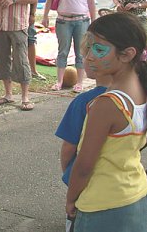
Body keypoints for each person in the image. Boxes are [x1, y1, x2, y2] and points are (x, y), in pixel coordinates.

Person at [66, 13, 147, 232]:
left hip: (103, 205)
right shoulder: (142, 88)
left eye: (99, 49)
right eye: (89, 47)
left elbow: (84, 165)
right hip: (136, 195)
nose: (88, 56)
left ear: (127, 55)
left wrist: (71, 199)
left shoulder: (107, 104)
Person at [55, 34, 113, 231]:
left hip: (87, 189)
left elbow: (68, 149)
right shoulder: (135, 95)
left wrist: (70, 177)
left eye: (84, 55)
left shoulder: (84, 102)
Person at [42, 0, 97, 93]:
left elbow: (91, 2)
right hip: (63, 20)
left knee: (81, 51)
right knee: (63, 50)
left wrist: (94, 21)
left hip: (82, 20)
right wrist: (45, 16)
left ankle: (79, 83)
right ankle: (59, 81)